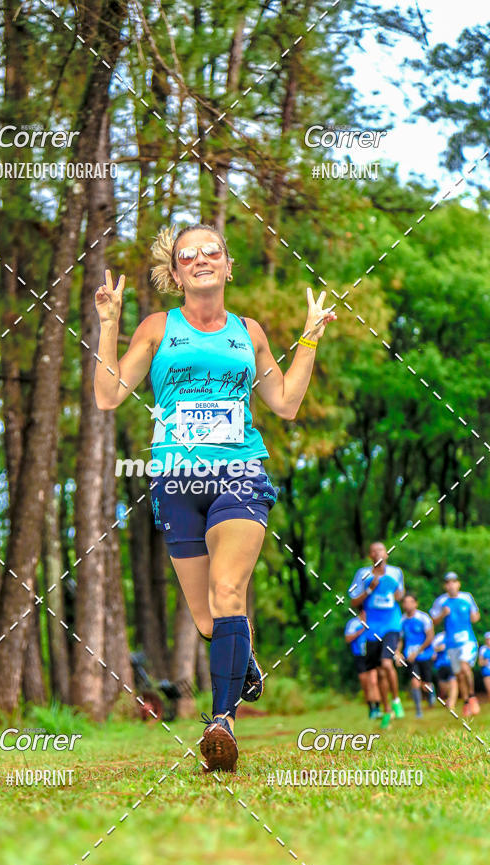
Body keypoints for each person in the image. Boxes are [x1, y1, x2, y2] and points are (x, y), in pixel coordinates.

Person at [93, 223, 336, 772]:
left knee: (230, 592)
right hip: (176, 481)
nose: (201, 259)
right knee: (209, 621)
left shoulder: (249, 334)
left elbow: (285, 403)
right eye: (188, 255)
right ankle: (240, 655)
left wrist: (311, 337)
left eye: (212, 252)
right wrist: (109, 325)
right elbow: (108, 395)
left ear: (227, 266)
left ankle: (220, 723)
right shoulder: (159, 327)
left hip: (240, 474)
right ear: (177, 274)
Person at [349, 541, 405, 729]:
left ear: (386, 554)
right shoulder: (362, 574)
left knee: (387, 663)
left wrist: (392, 586)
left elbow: (399, 597)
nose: (377, 553)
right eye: (373, 551)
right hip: (372, 628)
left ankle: (396, 700)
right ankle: (387, 710)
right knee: (379, 671)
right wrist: (370, 589)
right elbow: (353, 600)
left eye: (380, 550)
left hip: (392, 624)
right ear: (370, 556)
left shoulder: (396, 572)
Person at [431, 572, 480, 716]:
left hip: (467, 641)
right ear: (445, 585)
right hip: (451, 644)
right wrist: (442, 614)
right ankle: (466, 702)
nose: (451, 585)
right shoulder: (441, 601)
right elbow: (433, 621)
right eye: (448, 582)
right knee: (458, 675)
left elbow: (476, 616)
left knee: (465, 667)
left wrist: (473, 616)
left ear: (458, 584)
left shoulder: (467, 597)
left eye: (453, 582)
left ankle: (472, 697)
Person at [396, 594, 435, 718]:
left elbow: (430, 636)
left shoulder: (423, 618)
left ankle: (430, 694)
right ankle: (419, 711)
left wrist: (418, 651)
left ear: (415, 604)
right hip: (410, 657)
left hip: (425, 655)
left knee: (426, 684)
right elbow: (400, 639)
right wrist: (398, 653)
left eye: (410, 602)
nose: (408, 604)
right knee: (415, 682)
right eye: (405, 602)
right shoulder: (402, 621)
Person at [344, 610, 382, 718]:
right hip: (359, 656)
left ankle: (378, 708)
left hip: (371, 655)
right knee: (365, 683)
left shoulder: (373, 622)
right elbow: (347, 638)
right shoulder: (353, 623)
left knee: (373, 682)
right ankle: (371, 708)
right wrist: (361, 630)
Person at [432, 630, 458, 710]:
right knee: (443, 687)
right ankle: (449, 699)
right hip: (441, 664)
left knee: (453, 683)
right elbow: (432, 650)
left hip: (452, 663)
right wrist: (439, 648)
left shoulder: (456, 635)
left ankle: (452, 704)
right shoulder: (439, 637)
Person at [477, 632, 490, 701]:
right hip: (487, 674)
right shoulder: (483, 649)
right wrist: (484, 662)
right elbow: (480, 663)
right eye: (488, 639)